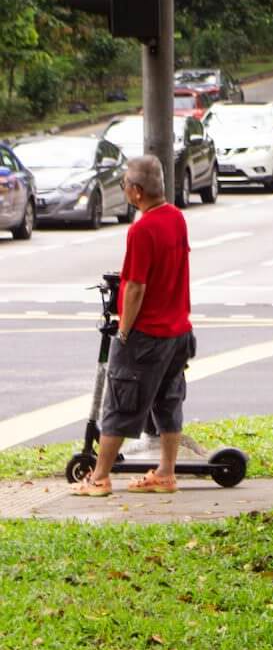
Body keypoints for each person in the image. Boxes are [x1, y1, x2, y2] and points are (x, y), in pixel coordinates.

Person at [70, 154, 194, 496]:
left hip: (147, 335)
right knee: (169, 401)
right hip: (178, 331)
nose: (124, 187)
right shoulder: (176, 219)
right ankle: (166, 473)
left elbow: (136, 286)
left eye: (125, 183)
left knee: (120, 402)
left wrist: (124, 330)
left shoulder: (142, 229)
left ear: (137, 191)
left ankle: (99, 478)